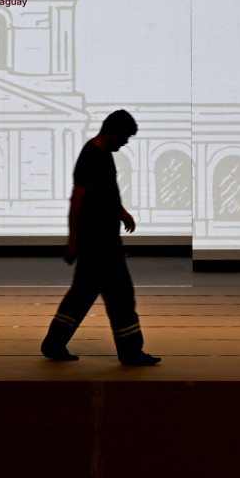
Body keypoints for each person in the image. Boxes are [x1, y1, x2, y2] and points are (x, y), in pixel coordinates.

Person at [41, 110, 160, 366]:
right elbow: (77, 198)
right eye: (125, 137)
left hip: (101, 240)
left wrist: (121, 212)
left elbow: (105, 192)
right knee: (121, 295)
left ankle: (53, 343)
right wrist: (72, 240)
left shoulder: (103, 155)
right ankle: (130, 352)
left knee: (82, 294)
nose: (126, 143)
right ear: (114, 132)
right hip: (98, 243)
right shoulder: (91, 155)